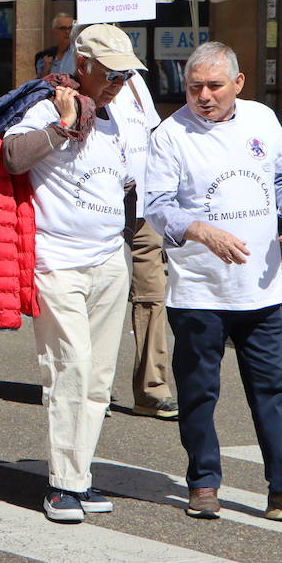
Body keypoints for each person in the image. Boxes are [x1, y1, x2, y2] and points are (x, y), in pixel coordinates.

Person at [144, 42, 282, 524]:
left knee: (273, 389)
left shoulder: (261, 119)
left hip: (261, 286)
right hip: (199, 289)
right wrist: (201, 231)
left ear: (238, 83)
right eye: (194, 87)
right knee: (199, 391)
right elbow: (157, 206)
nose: (203, 96)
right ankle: (204, 482)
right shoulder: (170, 135)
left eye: (213, 86)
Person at [1, 23, 140, 523]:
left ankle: (79, 476)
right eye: (111, 73)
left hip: (108, 261)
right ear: (82, 64)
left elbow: (121, 181)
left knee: (99, 377)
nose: (118, 84)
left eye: (125, 76)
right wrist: (61, 125)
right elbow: (12, 157)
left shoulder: (114, 117)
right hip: (57, 262)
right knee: (70, 367)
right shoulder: (45, 105)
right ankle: (62, 484)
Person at [108, 67, 178, 420]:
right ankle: (93, 387)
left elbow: (151, 132)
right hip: (103, 200)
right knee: (101, 295)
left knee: (152, 295)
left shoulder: (134, 80)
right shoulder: (72, 84)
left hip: (143, 198)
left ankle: (152, 390)